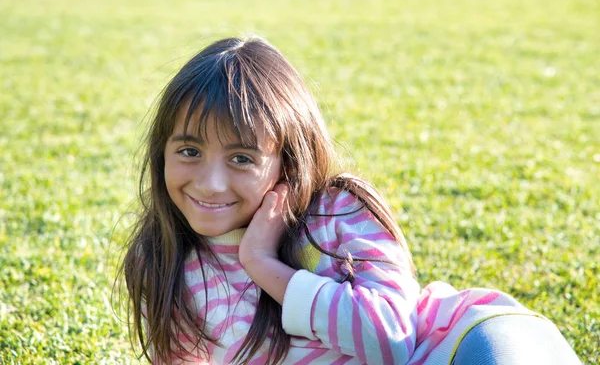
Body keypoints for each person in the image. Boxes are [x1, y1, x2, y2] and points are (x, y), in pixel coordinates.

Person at [118, 36, 581, 364]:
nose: (211, 182)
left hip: (464, 347)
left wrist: (264, 265)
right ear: (162, 150)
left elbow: (390, 342)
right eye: (189, 151)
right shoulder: (161, 259)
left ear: (287, 161)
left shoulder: (337, 211)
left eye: (241, 157)